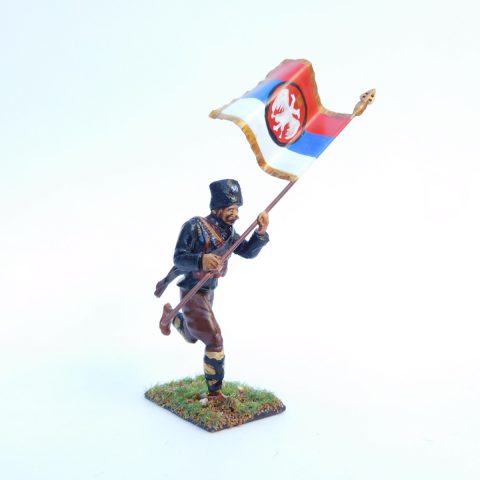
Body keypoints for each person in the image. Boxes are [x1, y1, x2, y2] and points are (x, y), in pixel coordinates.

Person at [156, 179, 270, 399]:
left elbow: (247, 252)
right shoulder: (194, 226)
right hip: (192, 290)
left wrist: (261, 232)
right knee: (215, 339)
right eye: (231, 210)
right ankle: (215, 393)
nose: (235, 215)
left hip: (209, 290)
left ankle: (171, 316)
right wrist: (201, 260)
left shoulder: (229, 233)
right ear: (217, 208)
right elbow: (179, 258)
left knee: (193, 335)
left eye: (236, 210)